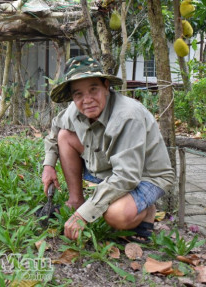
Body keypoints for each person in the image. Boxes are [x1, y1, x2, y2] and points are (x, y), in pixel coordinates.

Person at [42, 56, 175, 242]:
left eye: (93, 89)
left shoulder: (128, 116)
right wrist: (48, 165)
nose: (86, 100)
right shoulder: (76, 108)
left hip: (145, 176)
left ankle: (146, 211)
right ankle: (76, 201)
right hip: (111, 167)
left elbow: (127, 177)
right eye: (78, 94)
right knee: (64, 136)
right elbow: (55, 130)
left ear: (106, 86)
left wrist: (84, 215)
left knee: (115, 215)